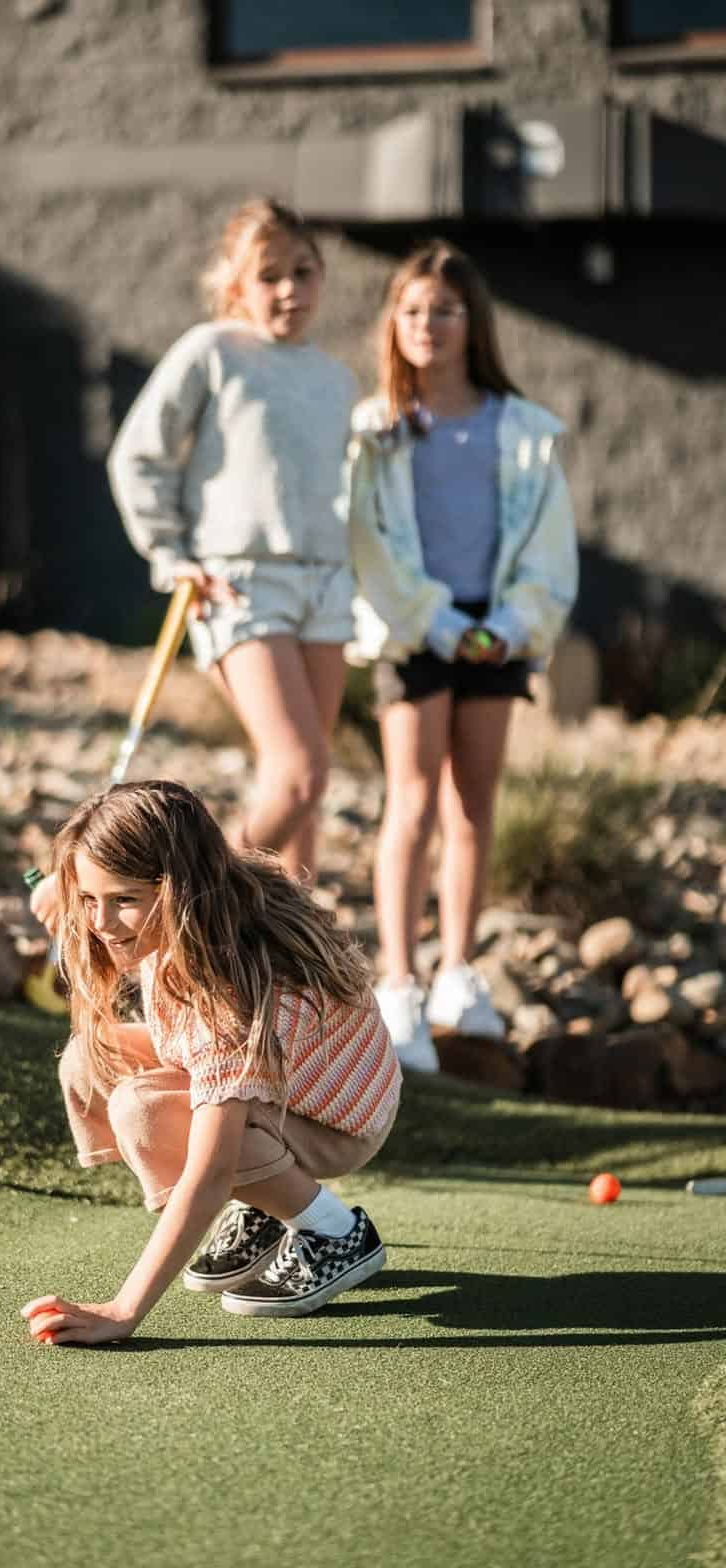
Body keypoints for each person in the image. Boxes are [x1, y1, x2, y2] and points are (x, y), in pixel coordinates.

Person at [20, 780, 401, 1346]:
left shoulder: (227, 991)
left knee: (144, 1112)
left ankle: (332, 1233)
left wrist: (124, 1310)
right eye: (88, 899)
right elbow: (106, 899)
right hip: (286, 1084)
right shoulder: (213, 901)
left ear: (178, 889)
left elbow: (210, 1170)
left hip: (336, 1121)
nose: (100, 922)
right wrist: (74, 885)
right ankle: (267, 1203)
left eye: (124, 900)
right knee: (89, 1057)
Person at [346, 240, 578, 1072]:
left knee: (471, 804)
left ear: (471, 322)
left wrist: (509, 624)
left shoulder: (520, 431)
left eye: (444, 310)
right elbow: (369, 544)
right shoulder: (376, 433)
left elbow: (550, 548)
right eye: (411, 310)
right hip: (414, 631)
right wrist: (437, 621)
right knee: (411, 800)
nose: (427, 325)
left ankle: (457, 974)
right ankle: (399, 985)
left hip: (496, 631)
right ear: (393, 323)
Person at [106, 197, 360, 885]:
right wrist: (172, 553)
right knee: (300, 774)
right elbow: (138, 455)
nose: (289, 289)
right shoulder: (212, 350)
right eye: (269, 275)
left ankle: (285, 968)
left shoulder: (339, 381)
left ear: (323, 276)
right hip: (240, 584)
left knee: (303, 799)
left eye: (303, 271)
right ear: (237, 284)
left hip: (327, 588)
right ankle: (187, 913)